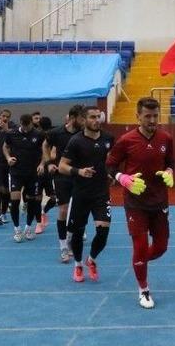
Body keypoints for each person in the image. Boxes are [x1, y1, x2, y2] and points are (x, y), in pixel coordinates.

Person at [106, 97, 174, 309]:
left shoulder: (166, 138)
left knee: (161, 247)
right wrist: (122, 179)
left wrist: (170, 172)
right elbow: (110, 166)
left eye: (155, 116)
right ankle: (143, 289)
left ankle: (139, 261)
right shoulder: (126, 140)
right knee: (140, 245)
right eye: (147, 116)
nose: (152, 120)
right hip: (135, 203)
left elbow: (171, 162)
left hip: (160, 200)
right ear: (138, 116)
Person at [57, 106, 116, 283]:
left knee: (103, 232)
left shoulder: (108, 139)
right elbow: (62, 166)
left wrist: (110, 172)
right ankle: (78, 265)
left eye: (99, 116)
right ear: (84, 120)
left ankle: (91, 260)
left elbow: (111, 160)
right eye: (92, 117)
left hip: (101, 193)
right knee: (77, 233)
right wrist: (79, 171)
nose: (97, 120)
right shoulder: (76, 141)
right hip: (81, 193)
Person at [44, 104, 85, 262]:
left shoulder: (84, 133)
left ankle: (70, 237)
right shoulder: (56, 132)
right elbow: (45, 145)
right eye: (82, 118)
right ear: (73, 118)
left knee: (76, 212)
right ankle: (63, 247)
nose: (84, 121)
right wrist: (48, 163)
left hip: (79, 175)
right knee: (63, 210)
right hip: (61, 176)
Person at [3, 113, 45, 242]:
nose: (26, 129)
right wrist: (8, 158)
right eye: (24, 126)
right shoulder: (12, 134)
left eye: (29, 126)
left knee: (32, 201)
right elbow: (5, 147)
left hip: (33, 173)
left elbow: (45, 150)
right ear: (20, 123)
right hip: (17, 172)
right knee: (15, 200)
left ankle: (28, 228)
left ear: (32, 123)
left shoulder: (38, 134)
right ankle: (17, 229)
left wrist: (42, 164)